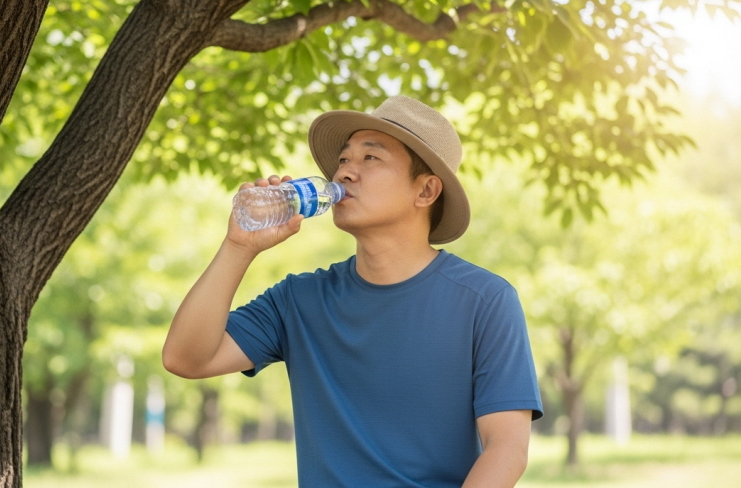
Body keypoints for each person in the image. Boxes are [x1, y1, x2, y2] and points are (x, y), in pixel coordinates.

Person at [163, 95, 543, 487]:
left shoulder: (485, 300)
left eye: (371, 158)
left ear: (426, 191)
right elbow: (185, 359)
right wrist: (238, 247)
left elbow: (506, 448)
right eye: (344, 159)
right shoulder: (299, 300)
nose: (344, 173)